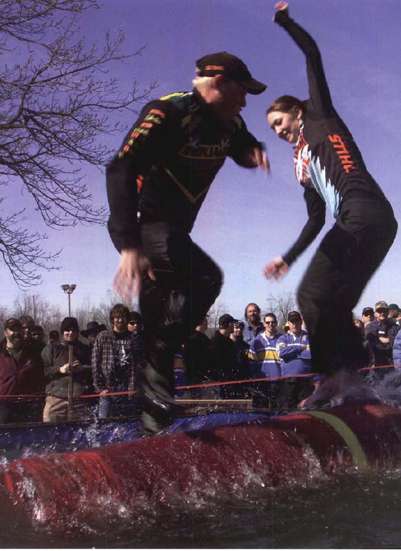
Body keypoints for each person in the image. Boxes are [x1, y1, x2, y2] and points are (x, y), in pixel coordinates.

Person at [106, 51, 269, 433]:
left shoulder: (231, 124)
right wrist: (128, 243)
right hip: (149, 227)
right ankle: (159, 353)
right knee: (206, 279)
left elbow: (242, 144)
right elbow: (119, 169)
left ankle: (153, 429)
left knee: (156, 324)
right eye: (242, 91)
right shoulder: (169, 113)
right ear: (217, 83)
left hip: (177, 231)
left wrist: (253, 153)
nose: (245, 101)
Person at [263, 3, 397, 407]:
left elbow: (313, 55)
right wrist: (288, 258)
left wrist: (286, 22)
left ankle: (331, 376)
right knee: (338, 302)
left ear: (297, 111)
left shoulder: (319, 115)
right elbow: (315, 220)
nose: (279, 132)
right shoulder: (301, 166)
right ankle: (353, 375)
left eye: (280, 123)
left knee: (309, 296)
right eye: (273, 130)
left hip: (364, 210)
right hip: (380, 224)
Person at [0, 317, 45, 424]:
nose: (16, 333)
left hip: (27, 407)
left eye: (19, 329)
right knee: (1, 438)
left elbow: (40, 375)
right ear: (5, 333)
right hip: (3, 408)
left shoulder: (32, 352)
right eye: (12, 330)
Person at [92, 304, 140, 419]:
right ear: (112, 319)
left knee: (129, 425)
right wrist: (100, 388)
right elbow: (95, 364)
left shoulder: (133, 337)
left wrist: (134, 387)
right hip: (108, 390)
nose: (120, 320)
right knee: (104, 425)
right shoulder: (103, 336)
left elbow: (138, 364)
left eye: (123, 317)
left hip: (128, 390)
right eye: (117, 317)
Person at [42, 317, 93, 422]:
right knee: (50, 432)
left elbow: (95, 370)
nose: (70, 333)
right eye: (67, 330)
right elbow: (42, 370)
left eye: (73, 330)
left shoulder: (85, 349)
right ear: (62, 332)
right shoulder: (52, 348)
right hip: (56, 399)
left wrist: (82, 369)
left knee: (81, 434)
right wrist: (60, 370)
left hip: (79, 401)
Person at [276, 311, 312, 409]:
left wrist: (291, 354)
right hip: (288, 381)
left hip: (305, 381)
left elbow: (311, 355)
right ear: (288, 323)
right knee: (286, 410)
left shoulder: (309, 337)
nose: (294, 324)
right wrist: (300, 348)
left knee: (306, 411)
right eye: (292, 322)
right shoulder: (282, 338)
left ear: (301, 322)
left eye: (296, 321)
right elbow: (281, 353)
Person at [248, 312, 282, 407]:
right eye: (268, 322)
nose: (270, 324)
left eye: (273, 322)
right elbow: (252, 363)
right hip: (261, 382)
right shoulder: (256, 341)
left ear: (276, 323)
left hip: (278, 381)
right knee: (260, 410)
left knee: (278, 411)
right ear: (264, 324)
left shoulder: (282, 339)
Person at [210, 314, 243, 398]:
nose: (235, 326)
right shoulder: (215, 342)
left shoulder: (230, 342)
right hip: (219, 383)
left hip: (232, 382)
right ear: (230, 324)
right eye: (234, 323)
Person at [183, 314, 215, 398]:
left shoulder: (194, 337)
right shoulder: (196, 339)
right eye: (206, 319)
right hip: (199, 380)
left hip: (197, 379)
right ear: (202, 320)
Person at [365, 301, 399, 377]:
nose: (382, 313)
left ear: (388, 312)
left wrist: (388, 340)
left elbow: (399, 342)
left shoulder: (395, 327)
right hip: (377, 366)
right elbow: (372, 344)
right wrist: (381, 341)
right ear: (375, 313)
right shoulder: (370, 327)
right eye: (379, 311)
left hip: (393, 365)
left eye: (384, 311)